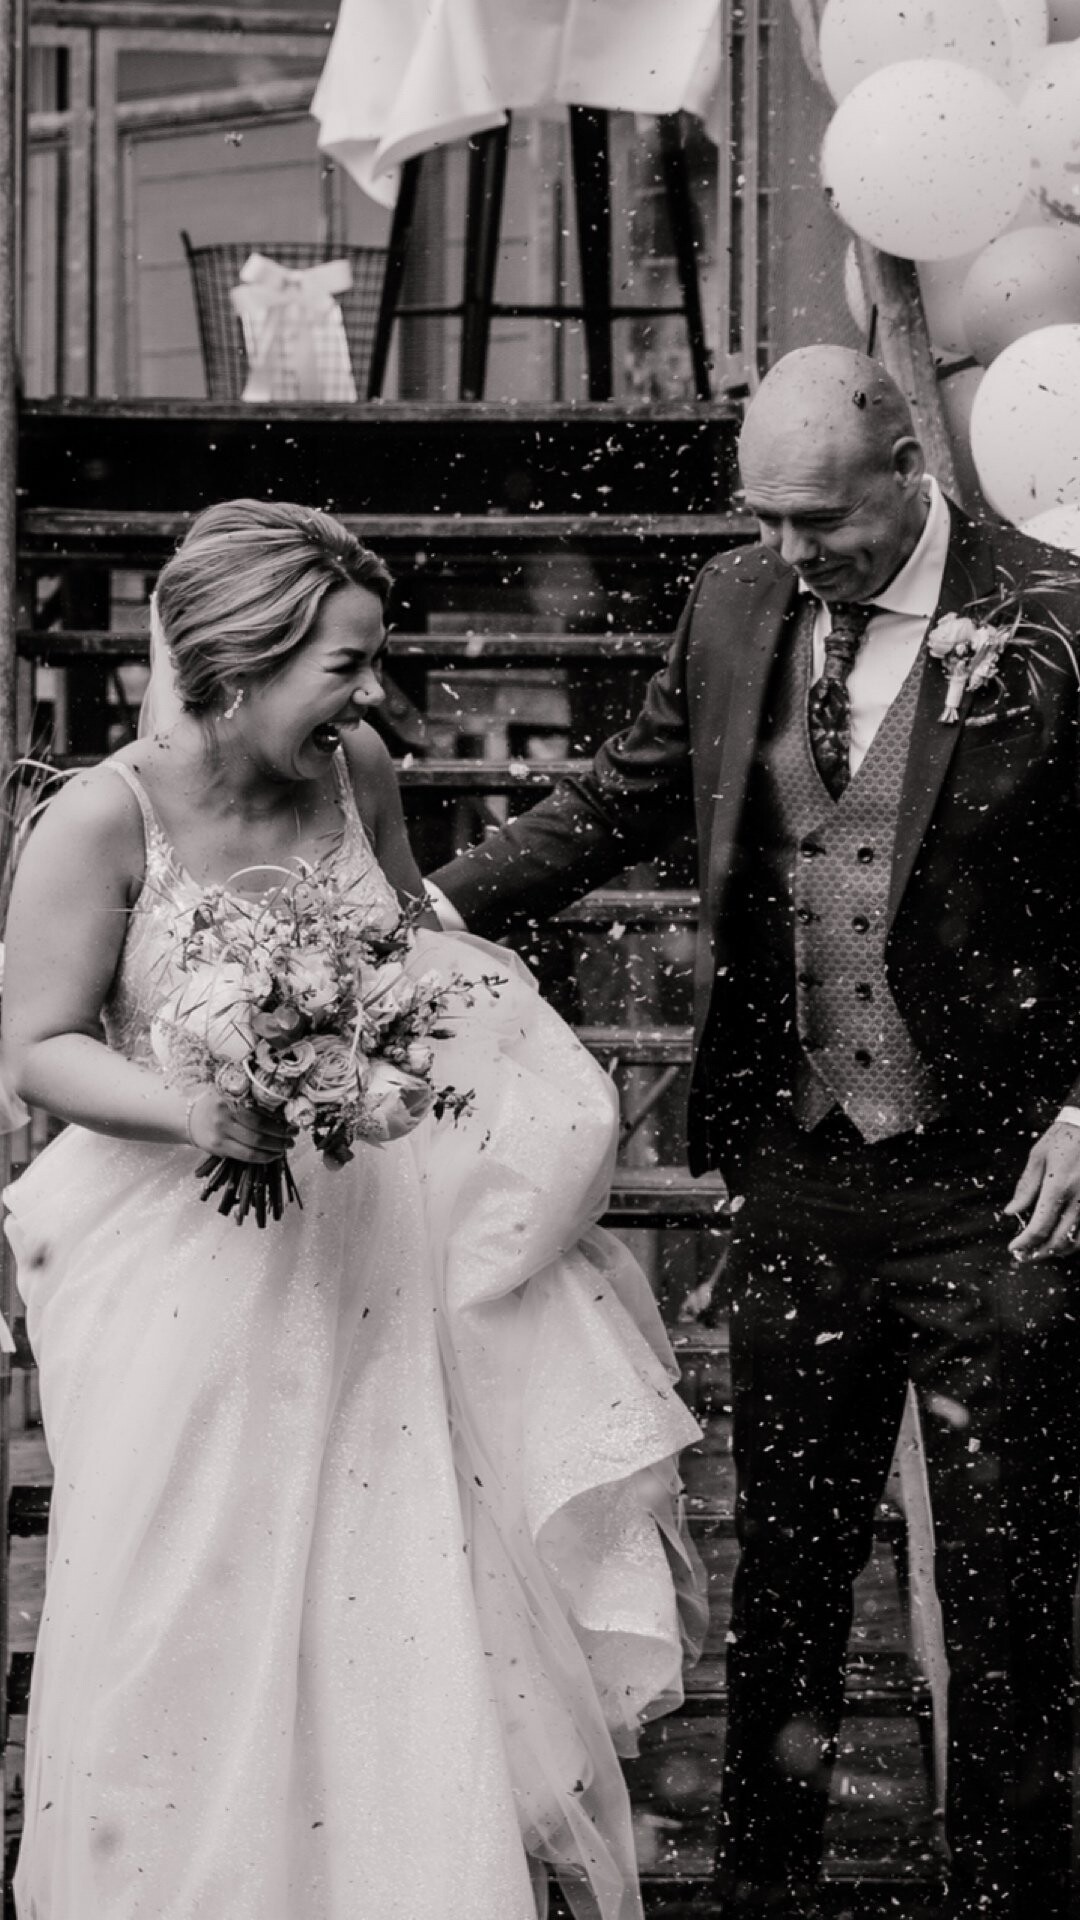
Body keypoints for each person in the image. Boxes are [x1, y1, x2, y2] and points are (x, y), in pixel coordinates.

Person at [428, 345, 1080, 1920]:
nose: (792, 551)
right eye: (767, 517)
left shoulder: (1054, 612)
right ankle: (763, 1895)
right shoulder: (733, 603)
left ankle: (1010, 1897)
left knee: (1007, 1590)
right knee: (786, 1576)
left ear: (910, 472)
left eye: (822, 521)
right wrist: (428, 914)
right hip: (797, 1171)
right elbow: (618, 800)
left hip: (998, 1186)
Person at [1, 498, 706, 1920]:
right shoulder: (101, 818)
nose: (371, 695)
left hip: (373, 1250)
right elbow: (37, 1046)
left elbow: (402, 960)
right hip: (181, 1275)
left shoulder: (357, 768)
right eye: (345, 664)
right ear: (237, 663)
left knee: (390, 1591)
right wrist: (199, 1105)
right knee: (186, 1603)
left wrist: (377, 1058)